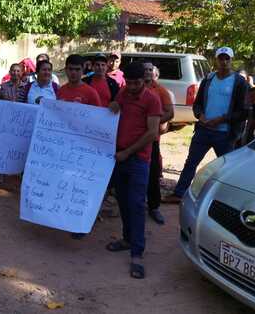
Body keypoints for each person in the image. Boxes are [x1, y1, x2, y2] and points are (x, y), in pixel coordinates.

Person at [163, 46, 249, 203]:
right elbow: (197, 104)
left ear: (231, 60)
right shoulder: (209, 79)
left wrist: (222, 119)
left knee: (226, 169)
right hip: (204, 130)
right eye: (221, 58)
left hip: (225, 134)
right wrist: (200, 116)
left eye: (227, 58)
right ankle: (179, 193)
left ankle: (227, 200)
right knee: (191, 162)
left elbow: (244, 111)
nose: (224, 61)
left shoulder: (239, 82)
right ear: (216, 60)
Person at [106, 61, 162, 280]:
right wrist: (113, 105)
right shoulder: (124, 92)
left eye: (136, 82)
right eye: (128, 82)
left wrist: (127, 152)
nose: (131, 86)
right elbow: (115, 108)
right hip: (119, 157)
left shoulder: (152, 99)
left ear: (144, 81)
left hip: (137, 159)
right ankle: (127, 239)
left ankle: (137, 253)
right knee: (122, 200)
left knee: (137, 204)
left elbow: (151, 133)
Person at [57, 54, 103, 239]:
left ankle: (80, 224)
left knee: (81, 187)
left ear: (82, 71)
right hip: (65, 148)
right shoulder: (61, 91)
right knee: (66, 184)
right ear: (66, 70)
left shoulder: (91, 93)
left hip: (84, 149)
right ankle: (66, 218)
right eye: (71, 69)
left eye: (77, 70)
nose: (74, 73)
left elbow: (100, 121)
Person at [143, 61, 174, 225]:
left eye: (150, 70)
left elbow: (170, 112)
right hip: (133, 139)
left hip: (152, 140)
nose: (147, 72)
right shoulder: (131, 88)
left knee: (153, 174)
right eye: (145, 69)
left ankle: (154, 207)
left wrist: (153, 123)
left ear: (154, 73)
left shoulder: (161, 91)